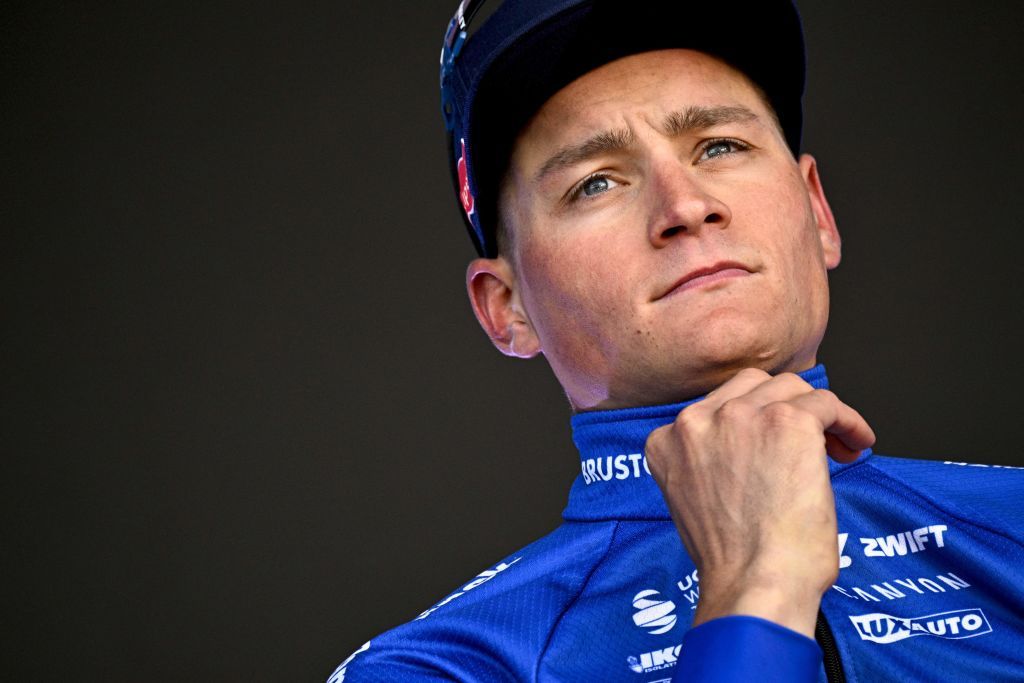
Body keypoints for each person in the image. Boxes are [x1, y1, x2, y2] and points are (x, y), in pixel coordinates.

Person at [330, 1, 1024, 680]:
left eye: (720, 146)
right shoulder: (443, 666)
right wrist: (758, 587)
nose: (685, 205)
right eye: (595, 182)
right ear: (507, 307)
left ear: (818, 212)